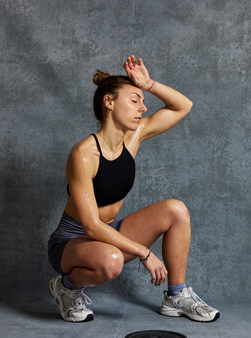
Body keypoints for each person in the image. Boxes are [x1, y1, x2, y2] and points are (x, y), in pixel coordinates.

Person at [47, 54, 219, 323]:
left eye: (143, 101)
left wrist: (148, 83)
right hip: (73, 242)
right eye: (134, 100)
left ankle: (176, 295)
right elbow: (91, 227)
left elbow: (183, 106)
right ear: (109, 102)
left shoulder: (134, 136)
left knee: (176, 210)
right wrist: (145, 253)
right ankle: (66, 287)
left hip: (111, 233)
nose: (143, 107)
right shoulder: (84, 154)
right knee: (112, 261)